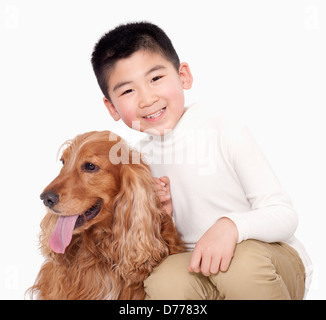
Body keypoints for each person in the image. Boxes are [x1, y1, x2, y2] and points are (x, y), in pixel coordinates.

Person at [91, 21, 313, 299]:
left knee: (240, 265)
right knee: (162, 281)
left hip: (268, 262)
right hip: (200, 266)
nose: (147, 98)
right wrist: (164, 217)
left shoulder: (223, 128)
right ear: (111, 107)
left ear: (183, 76)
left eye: (156, 78)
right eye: (127, 91)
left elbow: (284, 214)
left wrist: (231, 227)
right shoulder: (137, 161)